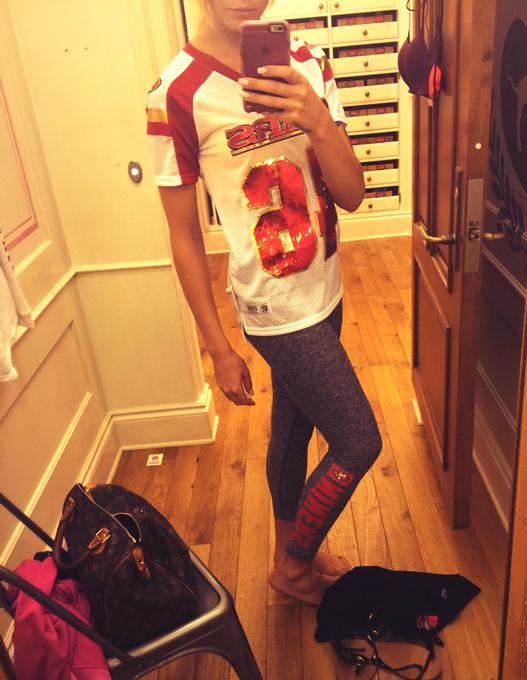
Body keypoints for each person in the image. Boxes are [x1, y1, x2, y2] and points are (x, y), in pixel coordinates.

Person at [146, 0, 382, 604]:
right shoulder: (175, 94)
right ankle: (294, 569)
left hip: (325, 286)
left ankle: (290, 551)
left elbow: (352, 195)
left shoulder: (308, 63)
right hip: (274, 308)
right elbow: (183, 235)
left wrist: (318, 121)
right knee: (358, 442)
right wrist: (217, 347)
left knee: (292, 429)